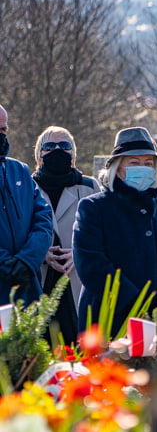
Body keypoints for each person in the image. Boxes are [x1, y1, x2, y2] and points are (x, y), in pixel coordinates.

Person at [73, 127, 157, 336]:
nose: (143, 168)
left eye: (148, 163)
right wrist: (137, 305)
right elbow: (91, 264)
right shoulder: (93, 208)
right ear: (118, 168)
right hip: (109, 322)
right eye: (134, 163)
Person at [32, 126, 100, 341]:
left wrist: (78, 254)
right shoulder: (27, 186)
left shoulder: (88, 186)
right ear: (39, 154)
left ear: (73, 153)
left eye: (64, 146)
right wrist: (42, 254)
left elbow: (101, 233)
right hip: (41, 278)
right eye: (49, 146)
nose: (57, 150)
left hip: (77, 278)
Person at [0, 105, 53, 307]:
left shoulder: (20, 170)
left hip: (27, 289)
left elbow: (43, 218)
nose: (1, 135)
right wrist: (7, 265)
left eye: (4, 129)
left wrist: (27, 261)